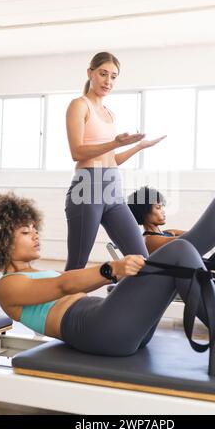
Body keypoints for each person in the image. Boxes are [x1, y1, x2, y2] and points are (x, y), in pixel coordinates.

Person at [0, 113, 215, 373]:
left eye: (33, 228)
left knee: (185, 247)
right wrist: (111, 269)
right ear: (2, 242)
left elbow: (73, 285)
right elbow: (64, 286)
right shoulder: (7, 286)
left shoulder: (34, 272)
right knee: (183, 248)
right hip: (101, 331)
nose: (36, 234)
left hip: (117, 324)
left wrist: (119, 280)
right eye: (25, 232)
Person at [65, 51, 166, 270]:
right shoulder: (79, 105)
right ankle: (62, 304)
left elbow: (111, 159)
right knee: (77, 265)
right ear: (90, 73)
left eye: (113, 76)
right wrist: (115, 143)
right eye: (103, 74)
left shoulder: (109, 113)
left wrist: (138, 146)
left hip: (113, 189)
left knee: (142, 259)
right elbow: (77, 152)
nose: (108, 81)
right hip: (87, 188)